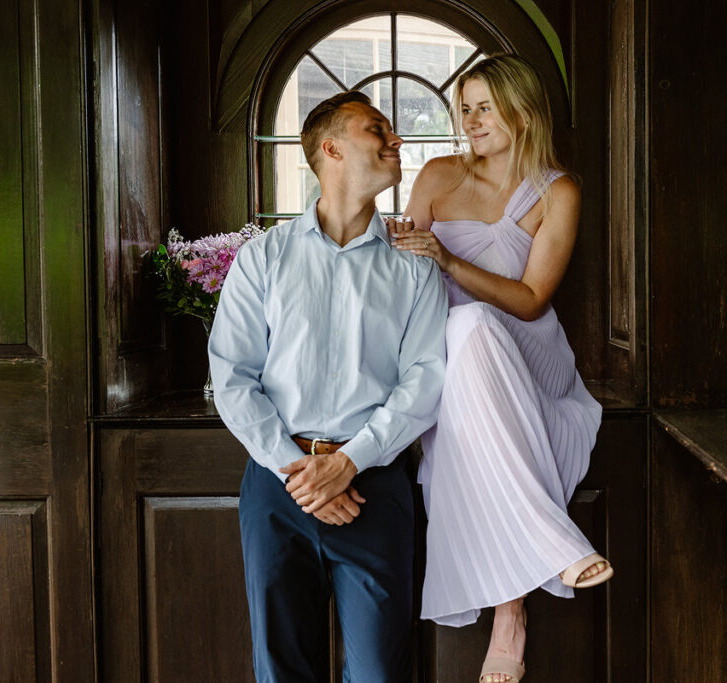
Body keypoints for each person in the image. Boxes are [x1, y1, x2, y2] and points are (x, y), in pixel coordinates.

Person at [209, 91, 448, 683]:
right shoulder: (262, 259)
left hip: (376, 489)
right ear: (331, 148)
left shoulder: (415, 267)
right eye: (379, 130)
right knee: (282, 669)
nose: (397, 142)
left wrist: (349, 464)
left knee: (381, 675)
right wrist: (301, 473)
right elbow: (232, 377)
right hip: (276, 489)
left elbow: (426, 380)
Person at [393, 54, 613, 683]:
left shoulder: (558, 190)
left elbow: (531, 298)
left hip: (528, 357)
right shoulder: (437, 176)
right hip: (452, 364)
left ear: (522, 108)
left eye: (484, 106)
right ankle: (530, 581)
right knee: (461, 333)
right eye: (464, 109)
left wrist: (449, 262)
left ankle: (511, 605)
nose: (471, 120)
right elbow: (409, 278)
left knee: (475, 322)